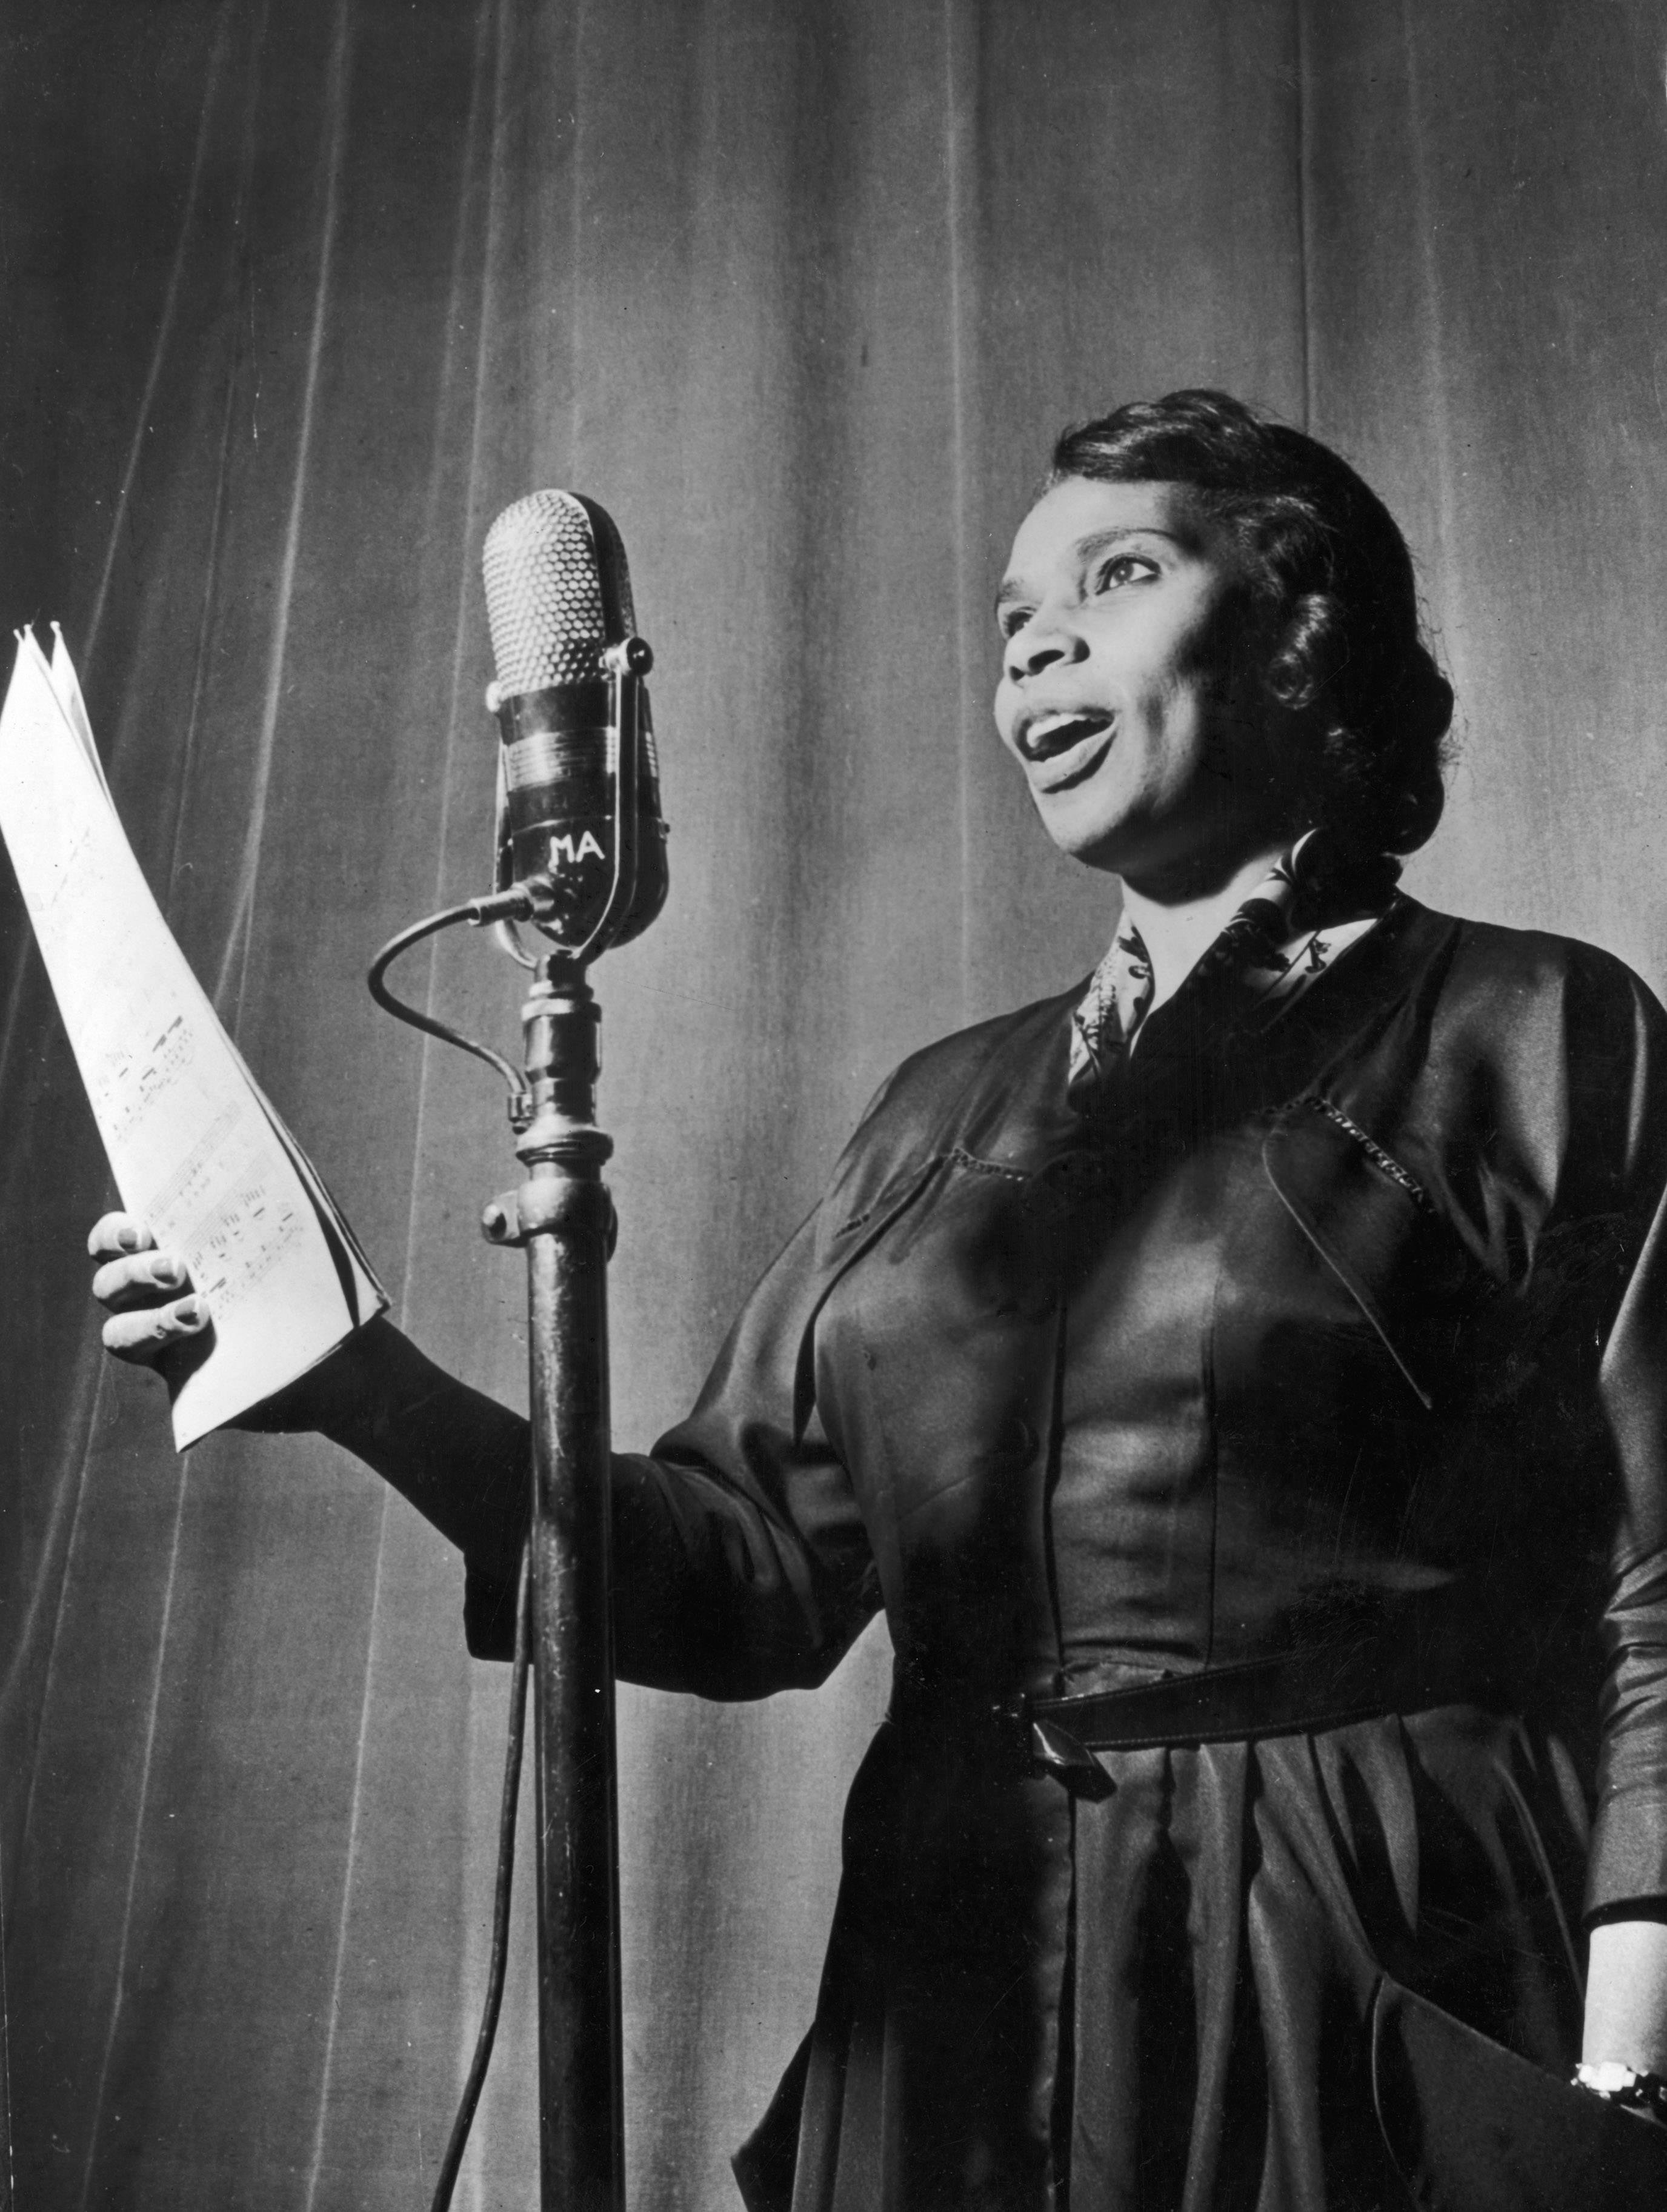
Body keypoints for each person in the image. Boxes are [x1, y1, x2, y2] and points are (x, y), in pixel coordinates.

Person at [90, 391, 1667, 2210]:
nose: (1035, 649)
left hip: (1352, 1990)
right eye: (1014, 622)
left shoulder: (1533, 1034)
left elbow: (1663, 1595)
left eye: (1120, 576)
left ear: (1305, 640)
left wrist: (1622, 2087)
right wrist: (354, 1376)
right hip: (956, 2007)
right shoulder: (941, 1112)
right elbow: (739, 1572)